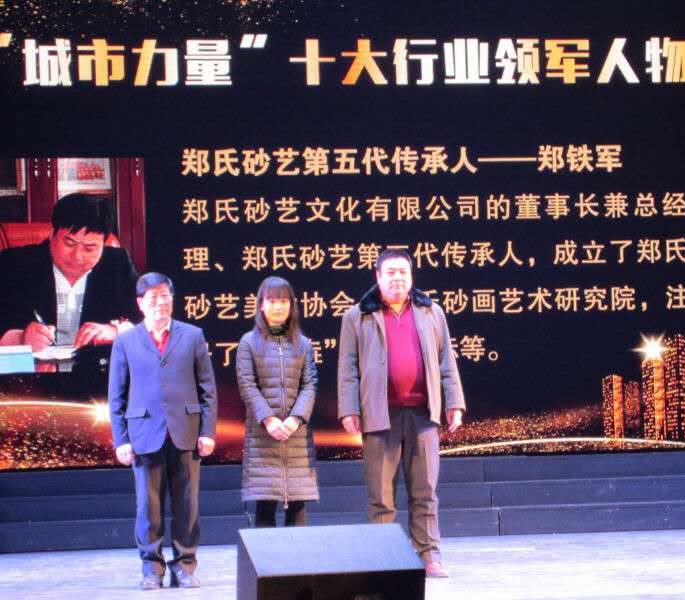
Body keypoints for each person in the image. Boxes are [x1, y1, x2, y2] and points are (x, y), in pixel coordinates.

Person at [337, 248, 466, 578]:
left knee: (425, 491)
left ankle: (428, 556)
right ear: (378, 276)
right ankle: (384, 559)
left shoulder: (431, 311)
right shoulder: (358, 315)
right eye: (390, 272)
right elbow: (348, 367)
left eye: (403, 272)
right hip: (380, 416)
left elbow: (446, 361)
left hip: (423, 415)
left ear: (411, 277)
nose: (397, 278)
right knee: (381, 495)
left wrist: (454, 402)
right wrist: (348, 408)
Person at [108, 272, 217, 590]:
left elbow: (208, 388)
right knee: (148, 507)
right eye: (153, 297)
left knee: (187, 505)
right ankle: (151, 567)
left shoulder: (192, 335)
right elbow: (117, 395)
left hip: (186, 431)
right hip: (144, 434)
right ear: (140, 303)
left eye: (165, 296)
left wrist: (208, 431)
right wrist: (121, 439)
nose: (160, 302)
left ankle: (185, 565)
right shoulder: (126, 341)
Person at [0, 192, 139, 351]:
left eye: (89, 248)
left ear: (103, 244)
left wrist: (115, 331)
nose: (77, 256)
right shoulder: (14, 264)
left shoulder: (117, 264)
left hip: (95, 366)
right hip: (35, 366)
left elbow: (149, 321)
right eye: (69, 244)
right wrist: (19, 338)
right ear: (52, 235)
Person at [236, 276, 319, 527]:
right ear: (261, 305)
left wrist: (296, 419)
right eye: (272, 301)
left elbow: (310, 385)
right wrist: (269, 419)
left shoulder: (303, 344)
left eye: (284, 301)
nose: (278, 306)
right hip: (263, 436)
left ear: (292, 305)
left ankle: (298, 556)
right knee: (266, 503)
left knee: (297, 505)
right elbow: (247, 385)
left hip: (296, 435)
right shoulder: (248, 342)